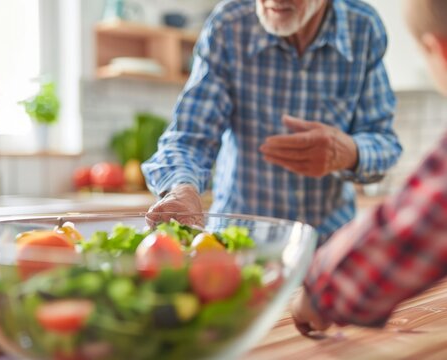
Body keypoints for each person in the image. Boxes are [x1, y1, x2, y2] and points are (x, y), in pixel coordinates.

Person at [141, 0, 402, 244]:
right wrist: (181, 188)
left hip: (329, 243)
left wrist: (349, 153)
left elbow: (383, 141)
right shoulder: (229, 25)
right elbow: (189, 137)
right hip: (241, 242)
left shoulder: (363, 27)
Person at [290, 0, 447, 334]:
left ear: (440, 51)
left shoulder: (363, 25)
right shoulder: (226, 23)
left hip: (326, 252)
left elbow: (414, 225)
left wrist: (322, 291)